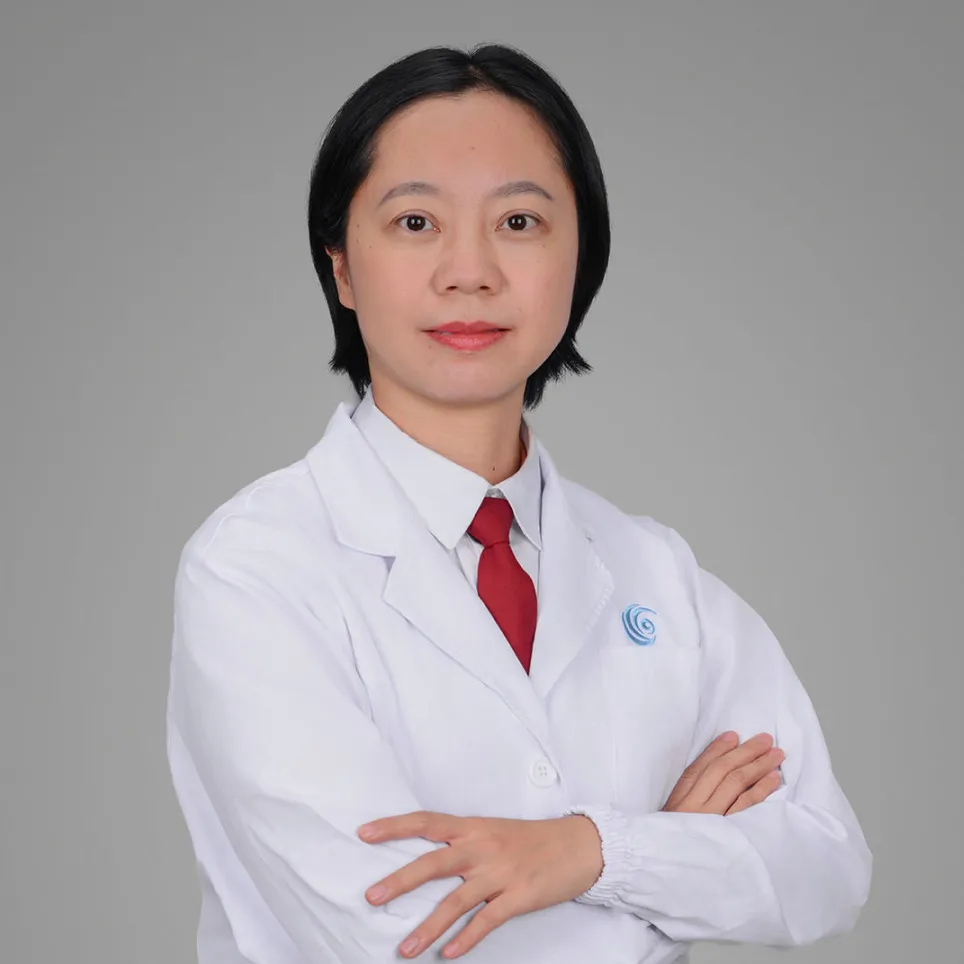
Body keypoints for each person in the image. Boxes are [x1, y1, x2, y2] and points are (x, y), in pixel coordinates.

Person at [165, 43, 872, 964]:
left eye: (520, 221)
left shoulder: (657, 573)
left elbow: (824, 866)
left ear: (581, 257)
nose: (470, 271)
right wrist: (663, 866)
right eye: (415, 221)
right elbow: (403, 940)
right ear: (340, 267)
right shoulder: (256, 569)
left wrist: (589, 852)